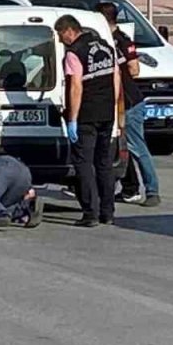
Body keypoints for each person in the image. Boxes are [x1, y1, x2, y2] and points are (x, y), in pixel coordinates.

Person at [55, 14, 124, 228]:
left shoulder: (74, 53)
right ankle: (108, 212)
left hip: (86, 115)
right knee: (104, 163)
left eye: (60, 35)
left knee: (83, 164)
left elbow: (76, 87)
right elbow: (116, 78)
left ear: (69, 31)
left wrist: (73, 119)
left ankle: (90, 213)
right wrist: (113, 108)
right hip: (106, 113)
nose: (59, 40)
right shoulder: (105, 47)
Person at [96, 2, 160, 208]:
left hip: (130, 103)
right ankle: (129, 188)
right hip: (117, 102)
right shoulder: (107, 40)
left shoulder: (121, 41)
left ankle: (152, 190)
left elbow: (134, 70)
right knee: (122, 147)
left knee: (137, 147)